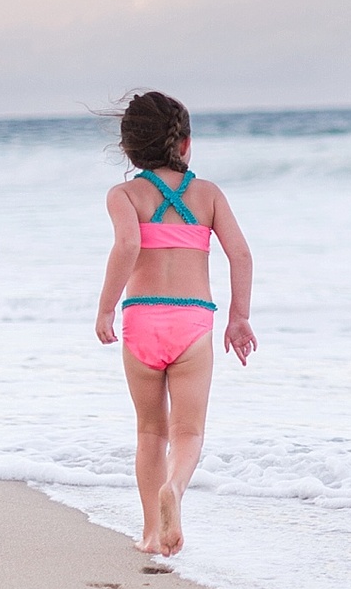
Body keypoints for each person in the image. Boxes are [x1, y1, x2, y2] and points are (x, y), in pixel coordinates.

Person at [94, 91, 256, 555]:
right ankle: (176, 490)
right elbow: (240, 254)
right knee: (188, 433)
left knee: (150, 431)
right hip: (192, 323)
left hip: (142, 320)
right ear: (184, 144)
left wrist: (106, 308)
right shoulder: (207, 195)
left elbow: (126, 247)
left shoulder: (125, 194)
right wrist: (238, 318)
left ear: (128, 149)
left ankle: (150, 532)